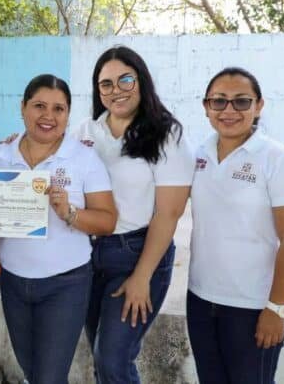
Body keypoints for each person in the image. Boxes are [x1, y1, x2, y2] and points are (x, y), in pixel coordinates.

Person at [73, 46, 195, 383]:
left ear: (141, 80)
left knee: (113, 359)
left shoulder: (167, 134)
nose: (116, 91)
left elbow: (169, 213)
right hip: (87, 255)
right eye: (106, 84)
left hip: (138, 254)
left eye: (125, 79)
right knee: (103, 359)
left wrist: (142, 277)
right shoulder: (85, 131)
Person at [0, 74, 117, 384]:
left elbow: (107, 220)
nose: (48, 116)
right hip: (13, 281)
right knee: (32, 372)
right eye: (39, 106)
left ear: (68, 114)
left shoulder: (83, 158)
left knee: (48, 377)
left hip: (66, 284)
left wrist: (70, 213)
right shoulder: (0, 155)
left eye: (59, 109)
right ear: (23, 108)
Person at [187, 67, 284, 383]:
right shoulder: (199, 154)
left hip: (254, 306)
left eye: (241, 102)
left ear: (258, 106)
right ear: (206, 107)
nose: (229, 110)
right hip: (201, 300)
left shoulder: (279, 161)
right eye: (219, 102)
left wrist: (277, 307)